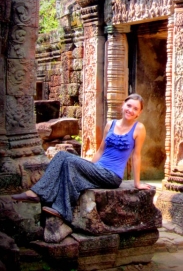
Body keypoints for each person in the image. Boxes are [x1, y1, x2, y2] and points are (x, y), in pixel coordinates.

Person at [12, 93, 151, 222]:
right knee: (64, 159)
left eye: (135, 108)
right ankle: (52, 203)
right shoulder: (111, 124)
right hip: (98, 169)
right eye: (129, 105)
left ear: (139, 113)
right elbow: (101, 150)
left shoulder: (139, 128)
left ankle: (40, 195)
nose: (130, 110)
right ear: (123, 105)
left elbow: (136, 155)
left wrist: (137, 183)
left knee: (65, 158)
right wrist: (88, 167)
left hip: (112, 176)